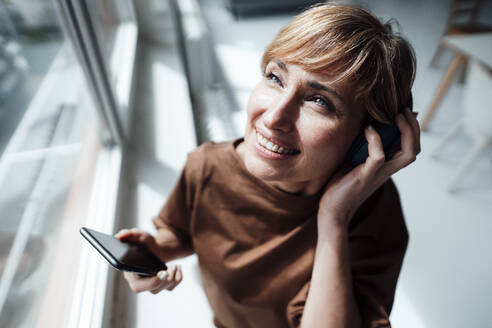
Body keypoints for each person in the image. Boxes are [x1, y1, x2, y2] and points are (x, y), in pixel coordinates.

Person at [116, 3, 420, 327]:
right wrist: (156, 250)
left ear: (368, 140)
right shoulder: (207, 165)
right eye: (275, 77)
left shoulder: (374, 215)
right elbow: (182, 231)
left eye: (319, 101)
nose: (274, 117)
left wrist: (333, 218)